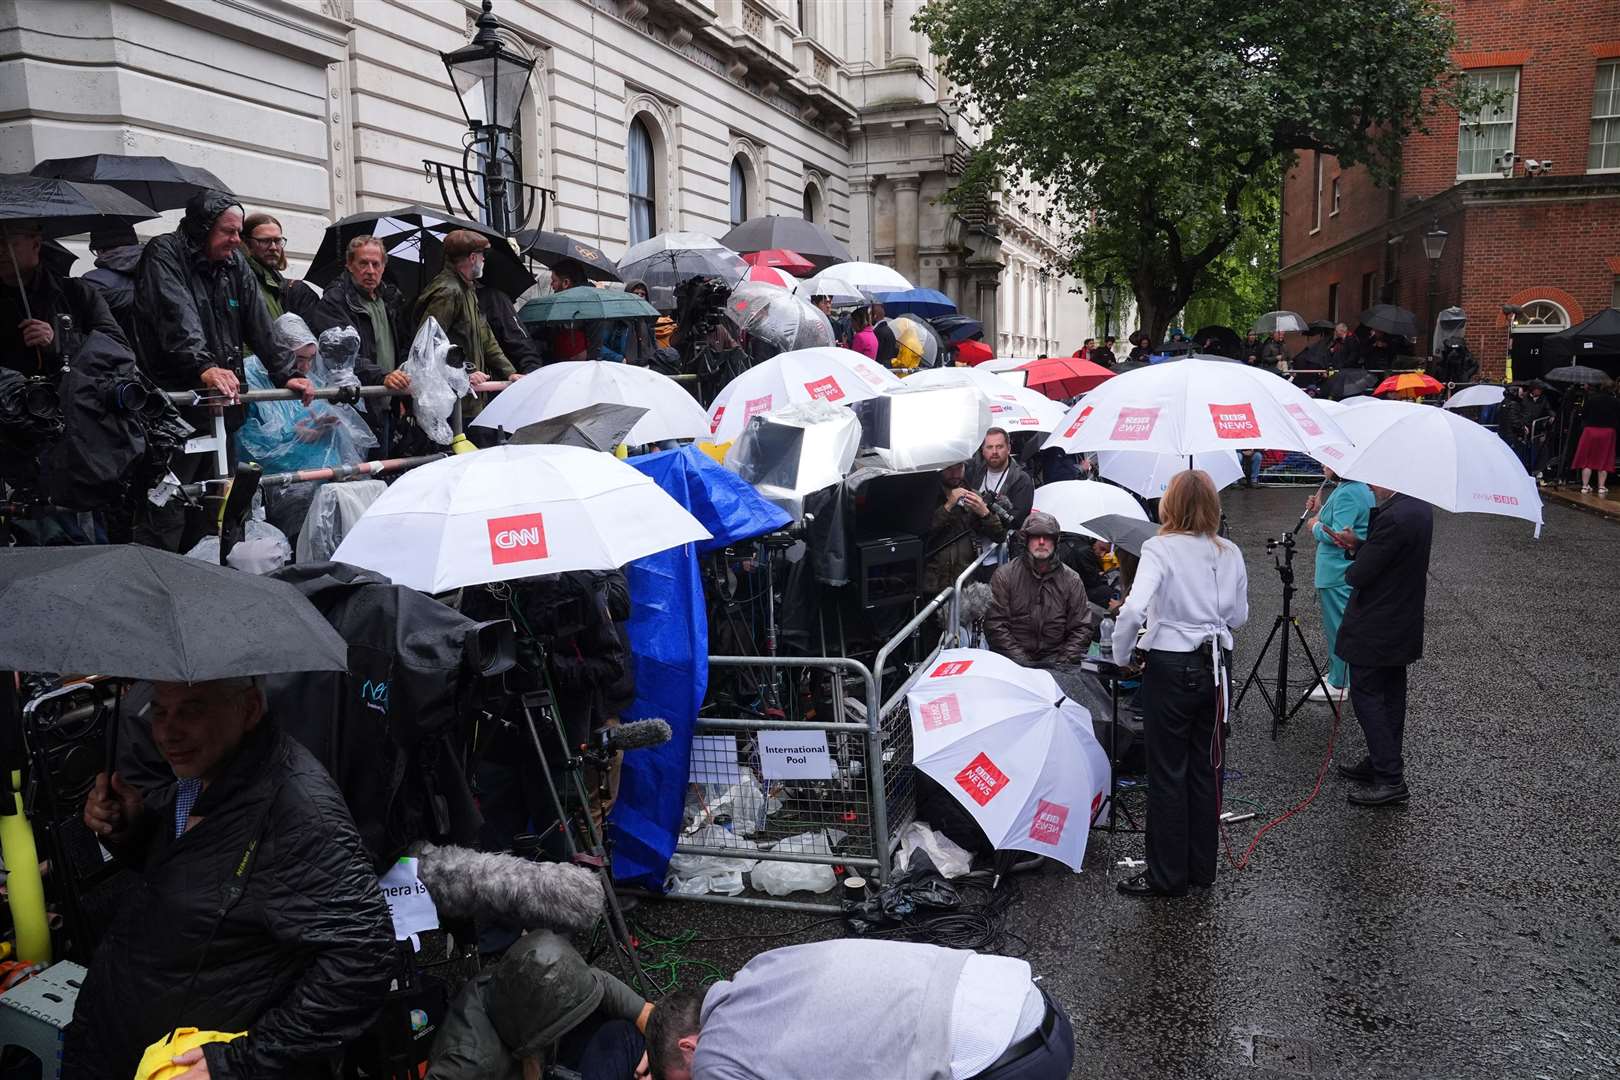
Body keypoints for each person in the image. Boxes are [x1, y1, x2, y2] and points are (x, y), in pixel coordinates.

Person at [65, 676, 394, 1076]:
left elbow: (364, 956)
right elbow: (203, 874)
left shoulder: (299, 809)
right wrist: (133, 829)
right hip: (125, 1043)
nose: (167, 732)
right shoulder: (209, 776)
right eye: (160, 712)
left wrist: (242, 1061)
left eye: (191, 710)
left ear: (250, 708)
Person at [132, 190, 313, 550]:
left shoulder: (234, 264)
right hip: (175, 410)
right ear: (202, 229)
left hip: (221, 404)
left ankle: (214, 575)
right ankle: (160, 575)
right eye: (228, 232)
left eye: (238, 231)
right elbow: (175, 313)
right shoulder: (165, 253)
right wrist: (205, 366)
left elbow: (257, 319)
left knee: (221, 500)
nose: (236, 240)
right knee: (168, 502)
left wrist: (285, 371)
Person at [642, 939, 1073, 1080]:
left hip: (1009, 1059)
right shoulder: (759, 972)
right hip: (1030, 1003)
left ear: (690, 1045)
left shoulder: (715, 1060)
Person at [1111, 470, 1248, 897]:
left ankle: (1166, 877)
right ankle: (1200, 869)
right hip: (1216, 666)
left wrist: (1121, 655)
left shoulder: (1159, 547)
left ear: (1169, 504)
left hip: (1171, 665)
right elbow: (1240, 617)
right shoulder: (1230, 552)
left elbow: (1133, 610)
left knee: (1168, 772)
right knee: (1207, 769)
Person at [1325, 484, 1433, 806]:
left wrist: (1357, 557)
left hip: (1379, 622)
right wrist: (1359, 544)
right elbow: (1388, 555)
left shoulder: (1395, 516)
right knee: (1391, 695)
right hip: (1400, 619)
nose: (1371, 486)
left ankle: (1389, 776)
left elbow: (1361, 574)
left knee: (1368, 695)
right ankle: (1381, 759)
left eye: (1375, 480)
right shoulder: (1418, 506)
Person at [428, 929, 650, 1080]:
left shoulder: (522, 980)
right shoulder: (469, 1062)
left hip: (534, 1057)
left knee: (623, 1029)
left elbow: (600, 984)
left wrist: (660, 1041)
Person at [412, 229, 518, 419]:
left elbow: (486, 337)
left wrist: (509, 372)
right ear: (472, 258)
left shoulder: (467, 289)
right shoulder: (448, 291)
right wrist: (465, 372)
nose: (483, 260)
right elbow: (429, 342)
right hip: (451, 403)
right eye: (482, 255)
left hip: (468, 399)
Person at [1, 219, 127, 374]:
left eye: (8, 243)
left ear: (35, 245)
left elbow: (117, 348)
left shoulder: (76, 293)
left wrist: (59, 341)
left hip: (68, 393)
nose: (0, 251)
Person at [986, 510, 1093, 668]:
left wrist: (1061, 664)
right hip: (1013, 663)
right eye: (1036, 536)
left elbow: (1082, 627)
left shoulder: (1071, 579)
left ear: (1055, 542)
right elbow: (995, 625)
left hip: (1057, 661)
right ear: (1026, 540)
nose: (1042, 542)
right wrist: (1023, 664)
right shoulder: (1004, 575)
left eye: (1048, 537)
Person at [1304, 468, 1375, 702]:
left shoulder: (1348, 492)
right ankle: (1338, 673)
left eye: (1327, 463)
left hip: (1336, 571)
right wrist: (1320, 510)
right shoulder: (1358, 488)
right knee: (1340, 625)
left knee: (1338, 627)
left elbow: (1339, 536)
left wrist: (1314, 525)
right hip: (1342, 569)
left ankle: (1340, 682)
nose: (1324, 467)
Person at [307, 234, 409, 386]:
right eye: (363, 263)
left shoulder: (391, 299)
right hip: (356, 398)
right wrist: (381, 377)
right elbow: (342, 354)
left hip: (391, 392)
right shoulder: (335, 301)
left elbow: (404, 345)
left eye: (376, 264)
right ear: (349, 264)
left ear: (383, 267)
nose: (370, 270)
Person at [922, 459, 1006, 595]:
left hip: (966, 581)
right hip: (934, 583)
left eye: (959, 467)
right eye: (949, 468)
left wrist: (985, 513)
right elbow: (924, 533)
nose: (955, 473)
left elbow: (999, 536)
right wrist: (948, 506)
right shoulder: (929, 497)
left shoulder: (974, 496)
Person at [240, 211, 316, 319]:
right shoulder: (242, 281)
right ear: (247, 243)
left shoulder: (291, 288)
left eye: (277, 240)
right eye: (265, 241)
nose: (273, 247)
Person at [80, 223, 145, 347]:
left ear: (100, 250)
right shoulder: (161, 270)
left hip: (116, 359)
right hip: (163, 361)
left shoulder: (92, 282)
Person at [965, 427, 1034, 528]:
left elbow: (1017, 522)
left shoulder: (1022, 480)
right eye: (989, 447)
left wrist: (985, 512)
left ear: (1008, 449)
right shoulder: (973, 474)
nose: (994, 452)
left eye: (999, 447)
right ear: (982, 450)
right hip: (972, 538)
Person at [1571, 382, 1617, 495]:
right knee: (1604, 459)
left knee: (1587, 459)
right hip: (1607, 432)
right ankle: (1601, 487)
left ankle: (1585, 486)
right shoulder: (1616, 401)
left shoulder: (1591, 399)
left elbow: (1583, 414)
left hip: (1590, 431)